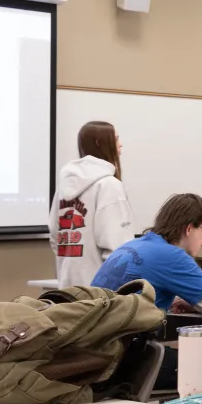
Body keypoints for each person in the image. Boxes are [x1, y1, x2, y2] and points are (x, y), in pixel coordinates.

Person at [92, 193, 202, 319]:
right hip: (120, 346)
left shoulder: (132, 245)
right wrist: (197, 304)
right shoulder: (173, 257)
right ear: (189, 229)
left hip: (91, 338)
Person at [49, 120, 136, 288]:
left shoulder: (63, 187)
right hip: (99, 293)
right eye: (116, 139)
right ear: (100, 143)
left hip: (66, 285)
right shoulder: (109, 185)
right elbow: (119, 247)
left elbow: (54, 235)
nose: (120, 145)